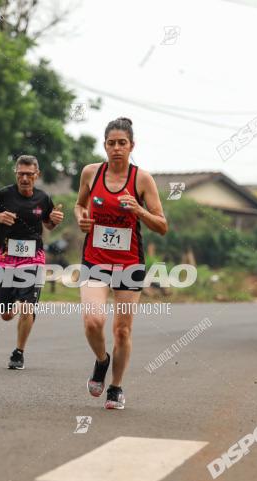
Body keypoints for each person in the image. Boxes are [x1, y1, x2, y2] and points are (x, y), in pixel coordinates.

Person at [74, 117, 167, 410]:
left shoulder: (142, 179)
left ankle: (115, 387)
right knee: (93, 321)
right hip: (95, 260)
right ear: (104, 145)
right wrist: (80, 218)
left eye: (122, 143)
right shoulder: (90, 173)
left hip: (128, 264)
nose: (116, 148)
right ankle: (102, 361)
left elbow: (162, 225)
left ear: (131, 146)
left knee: (122, 331)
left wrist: (138, 209)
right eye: (111, 143)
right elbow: (79, 204)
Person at [0, 154, 64, 369]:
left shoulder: (43, 198)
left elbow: (48, 224)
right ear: (15, 174)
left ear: (37, 175)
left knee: (28, 307)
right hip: (6, 259)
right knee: (6, 314)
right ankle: (17, 302)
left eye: (29, 174)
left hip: (33, 258)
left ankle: (19, 352)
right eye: (21, 174)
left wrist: (54, 220)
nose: (24, 178)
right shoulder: (4, 195)